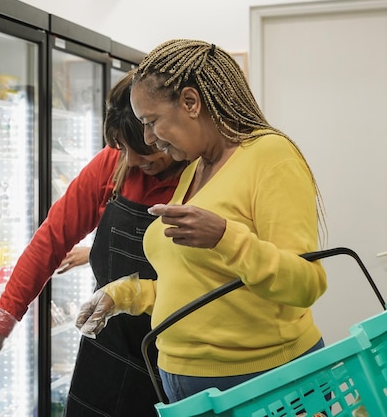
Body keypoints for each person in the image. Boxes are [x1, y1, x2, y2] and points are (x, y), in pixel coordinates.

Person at [76, 39, 328, 404]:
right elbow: (204, 289)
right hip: (183, 384)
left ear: (191, 103)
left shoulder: (270, 156)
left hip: (263, 383)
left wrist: (226, 237)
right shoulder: (194, 170)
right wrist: (123, 295)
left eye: (151, 122)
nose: (148, 139)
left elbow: (306, 283)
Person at [0, 70, 188, 416]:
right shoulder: (112, 165)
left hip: (176, 353)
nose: (132, 163)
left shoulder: (200, 177)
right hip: (108, 348)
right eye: (123, 151)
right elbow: (51, 239)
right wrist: (1, 321)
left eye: (146, 157)